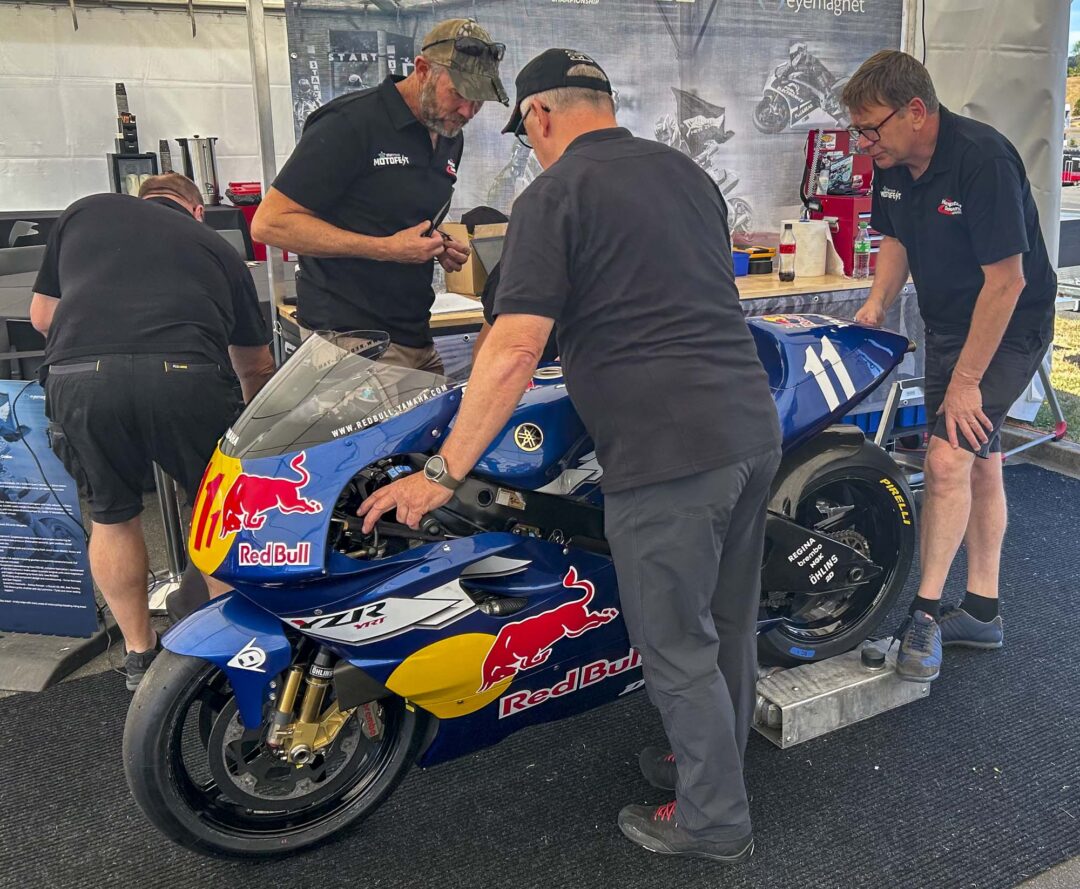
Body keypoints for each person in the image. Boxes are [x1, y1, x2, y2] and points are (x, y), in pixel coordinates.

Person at [356, 48, 781, 863]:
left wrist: (440, 471)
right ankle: (707, 766)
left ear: (541, 117)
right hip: (747, 426)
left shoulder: (554, 193)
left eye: (527, 131)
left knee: (675, 645)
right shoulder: (686, 175)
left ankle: (714, 819)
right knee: (724, 622)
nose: (531, 145)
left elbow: (514, 348)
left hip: (665, 452)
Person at [844, 51, 1057, 680]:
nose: (864, 142)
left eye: (871, 128)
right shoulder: (894, 164)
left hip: (1008, 324)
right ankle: (983, 613)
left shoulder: (981, 160)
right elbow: (898, 239)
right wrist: (877, 303)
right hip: (948, 325)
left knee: (943, 461)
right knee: (977, 461)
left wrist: (966, 383)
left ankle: (925, 615)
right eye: (858, 131)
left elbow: (1007, 282)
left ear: (916, 111)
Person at [30, 173, 276, 690]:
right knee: (214, 509)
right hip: (186, 376)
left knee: (112, 515)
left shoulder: (84, 210)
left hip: (81, 377)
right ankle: (224, 652)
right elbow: (255, 364)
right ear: (196, 210)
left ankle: (140, 656)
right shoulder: (219, 247)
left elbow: (42, 317)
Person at [252, 18, 508, 373]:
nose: (467, 112)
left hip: (414, 334)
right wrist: (386, 249)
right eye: (459, 95)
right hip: (350, 339)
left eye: (478, 102)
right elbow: (270, 225)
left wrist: (437, 242)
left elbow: (394, 216)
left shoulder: (449, 134)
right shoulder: (350, 123)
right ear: (422, 70)